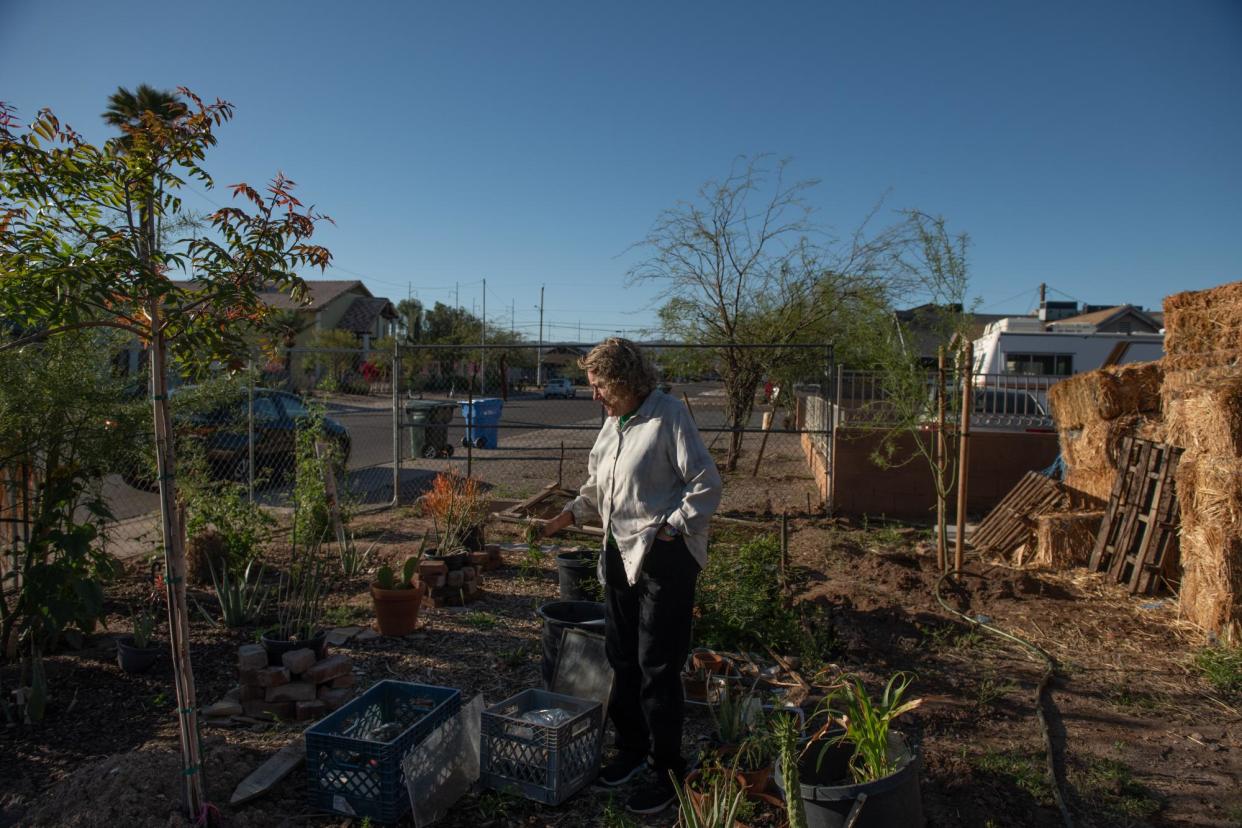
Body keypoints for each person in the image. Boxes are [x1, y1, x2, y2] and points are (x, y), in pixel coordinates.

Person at [540, 338, 722, 815]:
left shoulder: (668, 416)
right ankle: (632, 751)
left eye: (599, 386)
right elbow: (599, 486)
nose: (595, 395)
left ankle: (667, 769)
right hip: (618, 553)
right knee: (621, 656)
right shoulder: (613, 423)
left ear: (623, 380)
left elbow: (706, 482)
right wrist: (565, 517)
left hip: (665, 559)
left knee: (657, 665)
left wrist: (674, 527)